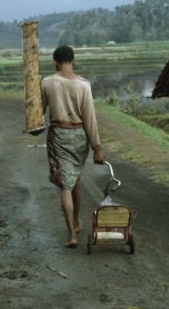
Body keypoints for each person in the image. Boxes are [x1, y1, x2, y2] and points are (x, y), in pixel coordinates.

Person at [41, 45, 104, 248]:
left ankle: (71, 235)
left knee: (65, 185)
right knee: (74, 178)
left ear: (55, 62)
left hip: (59, 135)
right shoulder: (84, 85)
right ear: (73, 61)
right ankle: (76, 221)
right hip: (80, 137)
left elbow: (38, 113)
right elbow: (90, 118)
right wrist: (97, 147)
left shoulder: (47, 82)